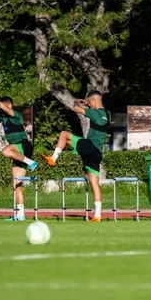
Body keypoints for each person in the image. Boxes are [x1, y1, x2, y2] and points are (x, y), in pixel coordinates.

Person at [42, 90, 112, 222]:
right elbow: (97, 117)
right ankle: (97, 215)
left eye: (90, 102)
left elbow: (75, 108)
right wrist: (88, 105)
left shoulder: (95, 112)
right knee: (94, 184)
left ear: (94, 100)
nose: (89, 104)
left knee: (64, 134)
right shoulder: (108, 114)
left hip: (90, 146)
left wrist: (77, 102)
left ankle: (53, 158)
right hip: (97, 153)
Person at [0, 92, 38, 222]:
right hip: (17, 151)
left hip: (23, 145)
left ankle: (31, 162)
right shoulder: (4, 118)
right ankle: (20, 215)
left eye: (4, 106)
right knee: (16, 184)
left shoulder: (16, 115)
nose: (2, 109)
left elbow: (1, 106)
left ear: (9, 106)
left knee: (5, 151)